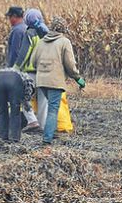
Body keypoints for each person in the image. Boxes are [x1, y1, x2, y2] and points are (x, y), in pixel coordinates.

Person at [31, 16, 85, 145]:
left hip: (41, 81)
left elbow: (33, 62)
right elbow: (70, 64)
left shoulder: (42, 41)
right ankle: (47, 139)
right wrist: (78, 78)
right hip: (54, 81)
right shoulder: (64, 42)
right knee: (53, 109)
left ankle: (50, 131)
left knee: (51, 106)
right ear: (63, 28)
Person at [13, 8, 49, 133]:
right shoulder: (47, 32)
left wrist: (15, 68)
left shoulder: (31, 33)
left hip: (31, 72)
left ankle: (33, 122)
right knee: (43, 101)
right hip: (46, 72)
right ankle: (43, 126)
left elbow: (24, 53)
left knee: (23, 96)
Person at [0, 68, 35, 142]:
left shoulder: (21, 75)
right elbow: (26, 101)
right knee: (15, 110)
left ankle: (2, 135)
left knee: (2, 109)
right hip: (14, 80)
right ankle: (14, 137)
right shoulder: (29, 82)